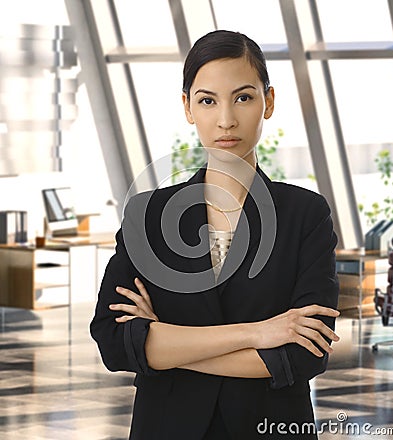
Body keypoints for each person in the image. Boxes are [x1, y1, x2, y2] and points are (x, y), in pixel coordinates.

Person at [90, 30, 340, 440]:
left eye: (243, 97)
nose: (226, 119)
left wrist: (164, 345)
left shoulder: (305, 215)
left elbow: (302, 354)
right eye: (207, 100)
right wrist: (257, 333)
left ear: (269, 102)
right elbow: (115, 342)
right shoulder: (148, 216)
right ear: (188, 107)